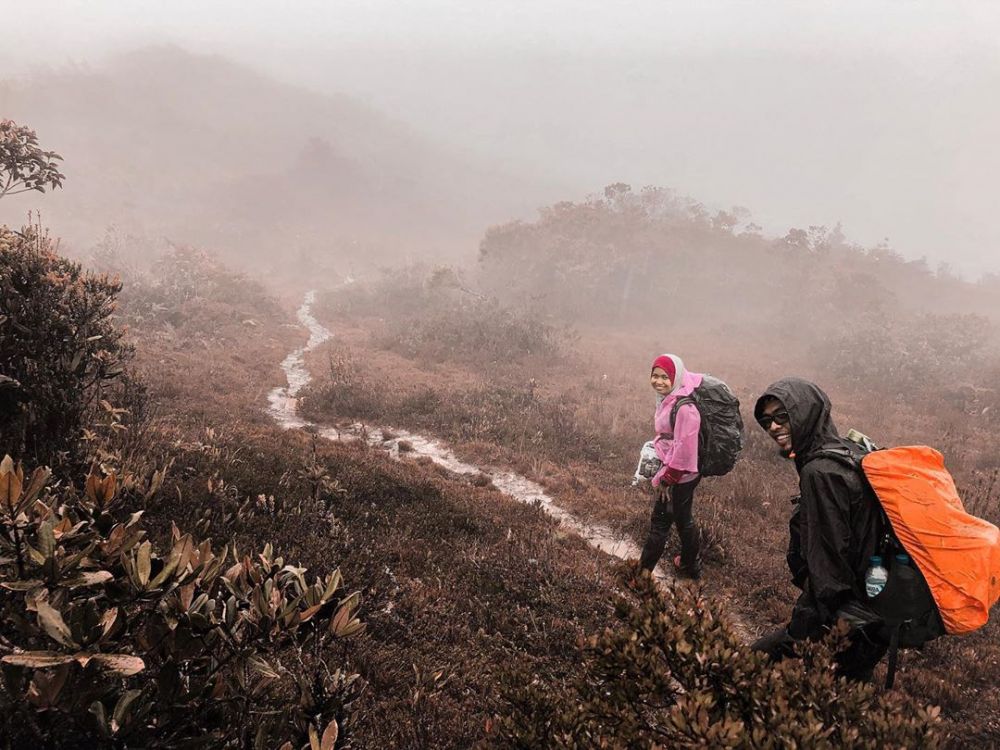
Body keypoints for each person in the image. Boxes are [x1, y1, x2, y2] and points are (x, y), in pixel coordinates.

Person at [751, 377, 887, 681]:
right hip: (872, 611)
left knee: (745, 668)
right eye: (766, 420)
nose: (772, 427)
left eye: (782, 416)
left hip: (841, 619)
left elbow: (829, 562)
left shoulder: (820, 472)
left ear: (806, 414)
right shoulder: (847, 451)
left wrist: (823, 627)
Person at [638, 353, 703, 579]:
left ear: (675, 378)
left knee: (660, 523)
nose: (659, 381)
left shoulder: (685, 409)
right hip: (682, 473)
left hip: (678, 475)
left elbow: (684, 451)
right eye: (655, 376)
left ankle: (642, 576)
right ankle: (689, 564)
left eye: (665, 377)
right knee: (684, 518)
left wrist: (667, 480)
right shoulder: (671, 398)